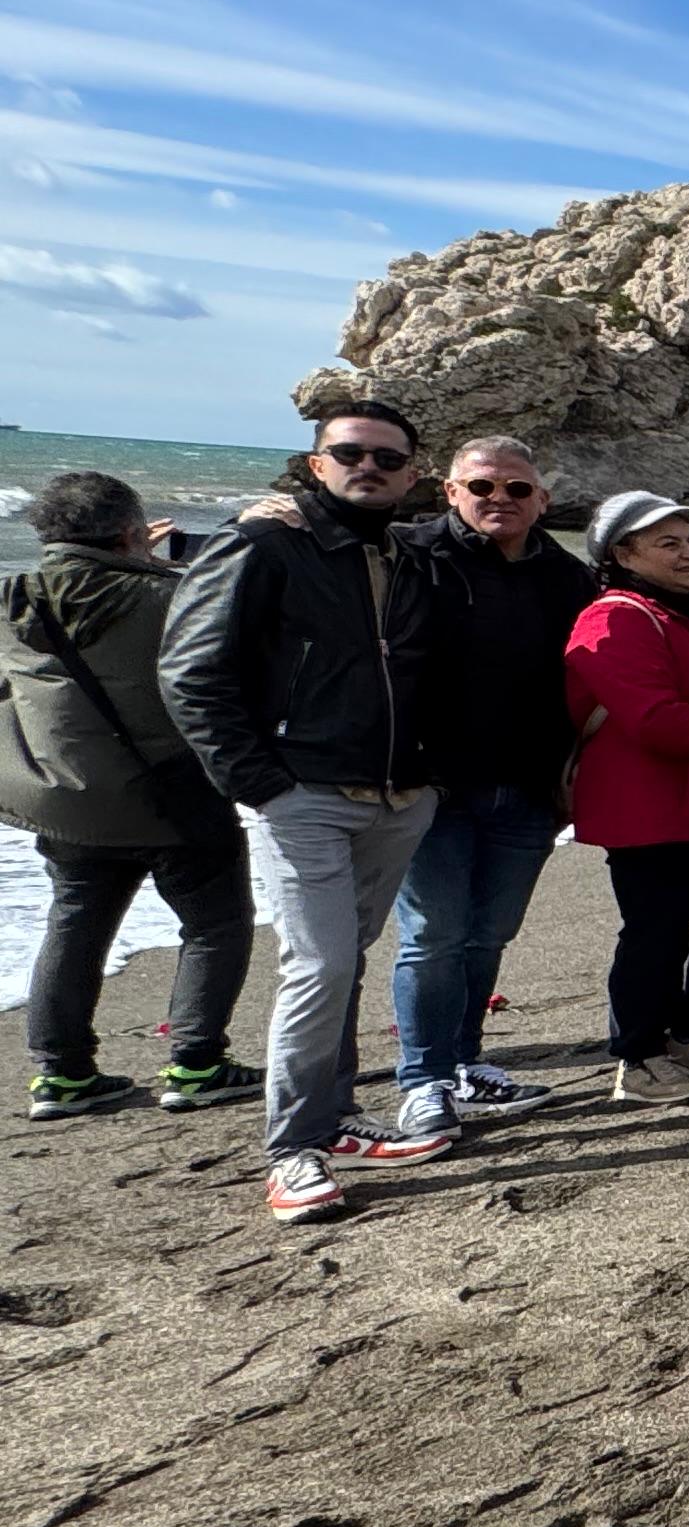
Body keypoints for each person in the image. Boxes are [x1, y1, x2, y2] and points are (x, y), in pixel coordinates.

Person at [159, 401, 458, 1218]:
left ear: (412, 474)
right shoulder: (263, 543)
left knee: (345, 959)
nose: (369, 467)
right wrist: (259, 782)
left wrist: (433, 772)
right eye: (350, 453)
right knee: (320, 965)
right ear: (316, 463)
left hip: (400, 794)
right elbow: (191, 673)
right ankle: (293, 1150)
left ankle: (335, 1120)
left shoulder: (408, 554)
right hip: (304, 796)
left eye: (388, 459)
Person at [6, 472, 253, 1122]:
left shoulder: (12, 598)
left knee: (76, 924)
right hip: (173, 792)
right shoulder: (162, 595)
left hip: (69, 799)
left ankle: (61, 1076)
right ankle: (197, 1064)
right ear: (130, 531)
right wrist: (173, 562)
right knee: (214, 925)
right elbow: (233, 640)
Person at [381, 434, 590, 1135]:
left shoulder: (566, 575)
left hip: (528, 789)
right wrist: (264, 519)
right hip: (430, 787)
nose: (498, 500)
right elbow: (295, 575)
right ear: (449, 491)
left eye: (517, 489)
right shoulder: (403, 553)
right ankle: (423, 1078)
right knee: (433, 933)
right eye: (481, 488)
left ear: (543, 499)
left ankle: (464, 1063)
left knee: (490, 933)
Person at [562, 494, 689, 1101]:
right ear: (622, 554)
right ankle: (639, 1055)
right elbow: (656, 720)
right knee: (657, 931)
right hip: (647, 808)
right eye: (668, 543)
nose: (688, 553)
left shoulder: (684, 612)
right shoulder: (615, 617)